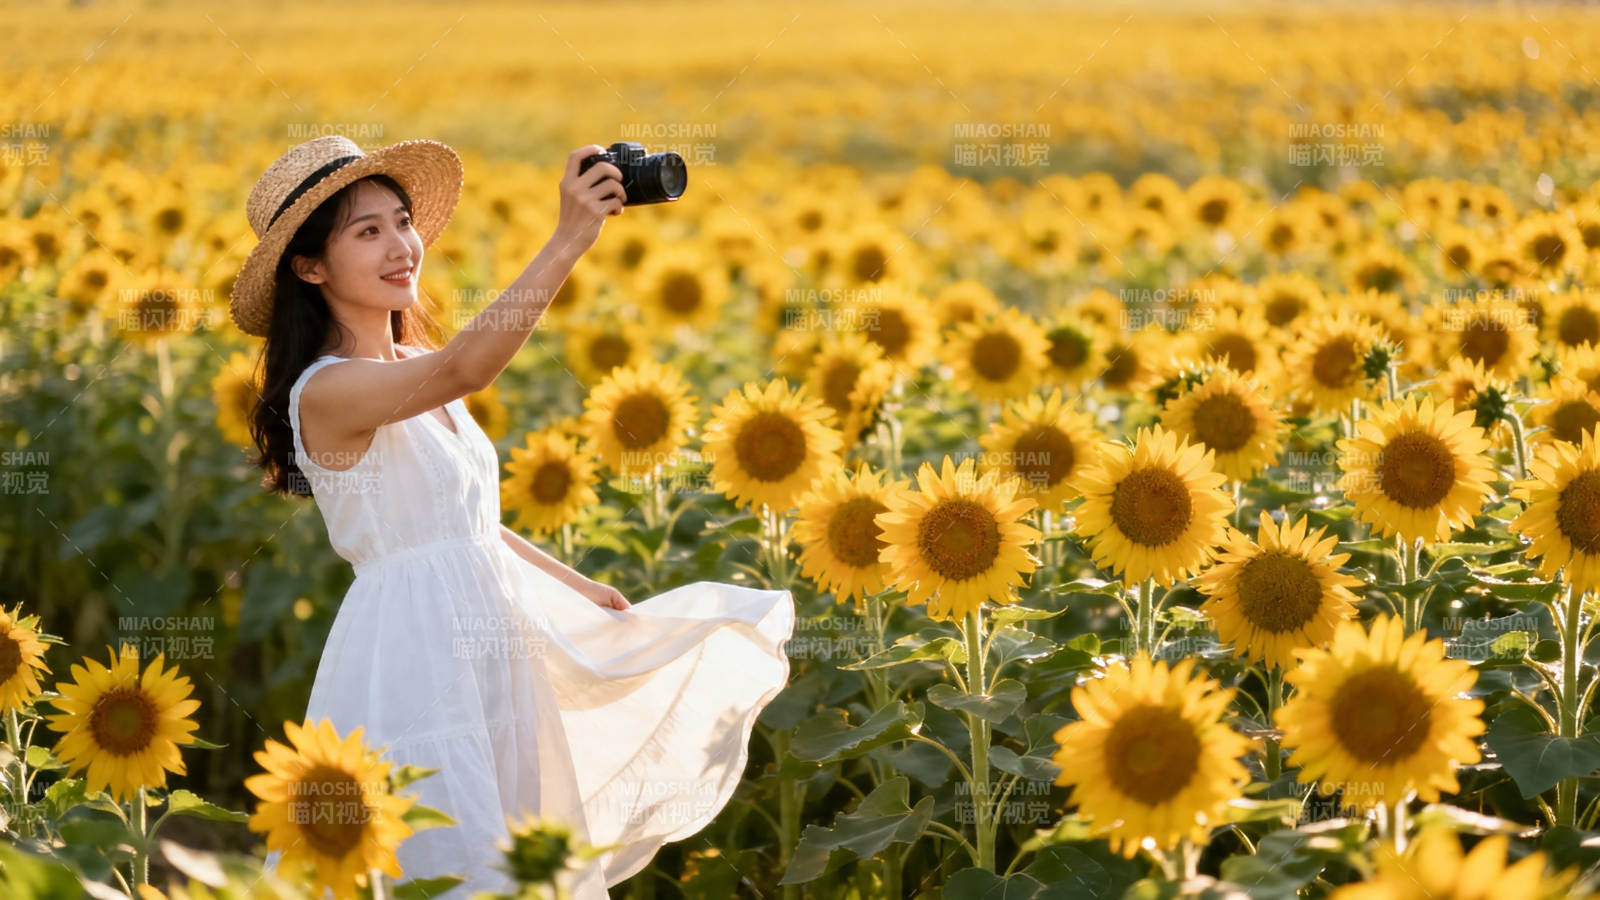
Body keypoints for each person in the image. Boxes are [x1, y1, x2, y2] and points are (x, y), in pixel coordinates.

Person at [230, 135, 795, 897]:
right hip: (416, 648)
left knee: (518, 842)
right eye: (368, 233)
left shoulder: (406, 362)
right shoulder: (327, 390)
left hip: (492, 632)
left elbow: (460, 517)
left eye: (403, 222)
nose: (403, 247)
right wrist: (570, 238)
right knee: (446, 843)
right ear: (309, 266)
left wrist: (576, 583)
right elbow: (469, 364)